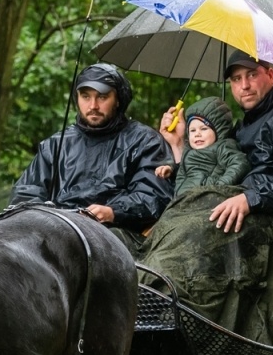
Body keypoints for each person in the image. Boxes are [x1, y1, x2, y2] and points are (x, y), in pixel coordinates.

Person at [160, 49, 273, 233]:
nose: (244, 85)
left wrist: (249, 199)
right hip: (253, 205)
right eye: (236, 79)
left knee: (198, 230)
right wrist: (178, 144)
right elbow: (210, 169)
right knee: (173, 221)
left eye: (252, 75)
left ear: (271, 75)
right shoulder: (245, 125)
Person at [10, 62, 173, 236]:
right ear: (77, 98)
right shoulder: (55, 144)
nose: (93, 106)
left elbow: (154, 196)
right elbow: (25, 194)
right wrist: (47, 219)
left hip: (117, 234)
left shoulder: (145, 140)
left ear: (118, 99)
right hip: (56, 231)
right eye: (85, 96)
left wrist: (113, 212)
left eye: (102, 97)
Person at [154, 96, 249, 197]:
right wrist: (171, 169)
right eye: (192, 130)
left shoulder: (222, 147)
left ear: (218, 130)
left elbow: (240, 164)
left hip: (207, 199)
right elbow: (185, 172)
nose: (197, 134)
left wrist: (220, 186)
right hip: (182, 201)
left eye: (203, 129)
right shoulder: (188, 151)